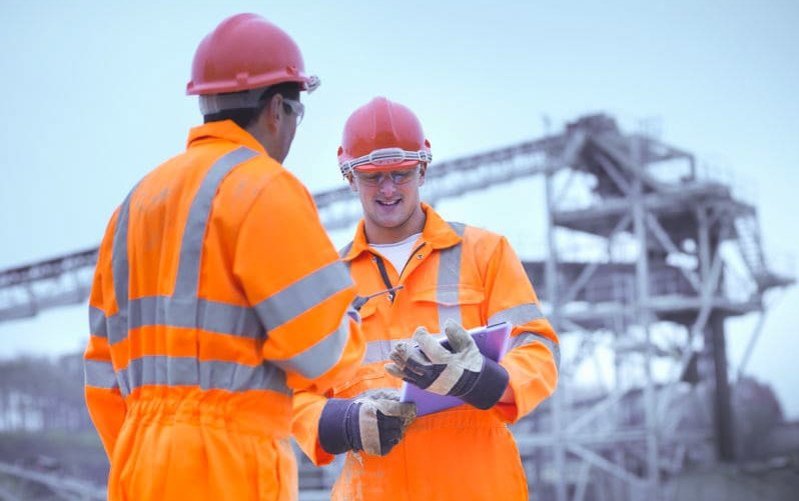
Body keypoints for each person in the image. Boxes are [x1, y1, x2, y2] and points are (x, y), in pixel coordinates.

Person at [82, 13, 366, 500]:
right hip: (229, 467)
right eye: (298, 113)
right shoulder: (265, 189)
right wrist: (352, 325)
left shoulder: (135, 204)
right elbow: (320, 353)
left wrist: (154, 450)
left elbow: (101, 375)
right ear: (277, 108)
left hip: (138, 464)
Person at [293, 97, 560, 499]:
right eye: (372, 176)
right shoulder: (326, 284)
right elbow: (295, 393)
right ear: (349, 177)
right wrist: (345, 422)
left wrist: (483, 380)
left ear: (422, 168)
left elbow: (537, 349)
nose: (387, 189)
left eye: (400, 174)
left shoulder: (484, 254)